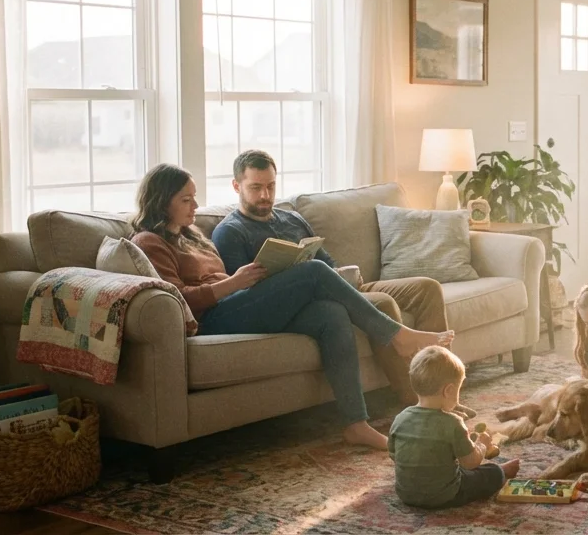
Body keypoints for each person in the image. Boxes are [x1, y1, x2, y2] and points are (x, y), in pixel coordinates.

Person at [129, 163, 453, 449]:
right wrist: (233, 283)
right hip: (211, 320)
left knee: (331, 314)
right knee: (313, 271)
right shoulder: (149, 242)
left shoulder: (191, 235)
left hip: (234, 304)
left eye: (194, 197)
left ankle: (356, 423)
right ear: (162, 201)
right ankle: (396, 335)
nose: (196, 205)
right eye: (186, 199)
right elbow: (176, 297)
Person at [211, 149, 450, 405]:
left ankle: (447, 387)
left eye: (271, 186)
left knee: (427, 288)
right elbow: (245, 296)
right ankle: (420, 401)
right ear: (236, 186)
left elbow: (326, 263)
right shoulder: (230, 232)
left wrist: (343, 273)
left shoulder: (292, 218)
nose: (265, 195)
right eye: (256, 187)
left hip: (341, 286)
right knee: (381, 302)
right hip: (305, 302)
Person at [389, 346, 521, 509]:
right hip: (446, 495)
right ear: (449, 390)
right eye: (459, 390)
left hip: (406, 493)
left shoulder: (400, 418)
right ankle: (501, 472)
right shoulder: (452, 423)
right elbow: (470, 463)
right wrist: (482, 445)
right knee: (488, 473)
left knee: (453, 469)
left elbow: (394, 455)